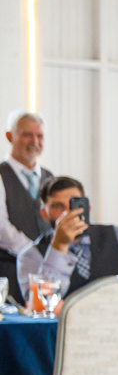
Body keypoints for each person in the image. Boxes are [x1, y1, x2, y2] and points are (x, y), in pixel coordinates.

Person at [16, 175, 118, 311]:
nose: (67, 213)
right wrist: (59, 246)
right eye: (58, 206)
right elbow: (42, 308)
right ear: (44, 213)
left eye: (75, 204)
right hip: (62, 339)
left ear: (88, 208)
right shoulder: (30, 256)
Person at [0, 111, 50, 298]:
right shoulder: (1, 174)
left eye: (40, 136)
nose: (34, 142)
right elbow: (2, 229)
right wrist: (34, 253)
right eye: (27, 134)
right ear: (9, 136)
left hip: (45, 274)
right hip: (8, 273)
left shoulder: (49, 177)